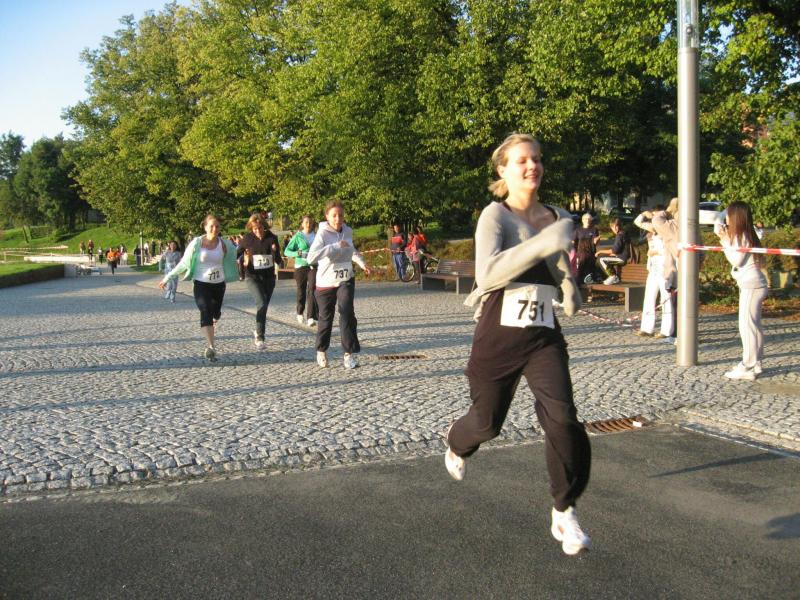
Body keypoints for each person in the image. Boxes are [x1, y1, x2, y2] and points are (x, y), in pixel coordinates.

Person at [447, 133, 590, 556]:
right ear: (503, 170)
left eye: (537, 159)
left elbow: (559, 265)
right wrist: (542, 242)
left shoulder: (556, 215)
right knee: (487, 423)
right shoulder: (496, 215)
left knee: (563, 417)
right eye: (522, 160)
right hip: (499, 334)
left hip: (543, 335)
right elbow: (488, 273)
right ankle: (456, 442)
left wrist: (570, 289)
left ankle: (564, 510)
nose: (533, 166)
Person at [159, 214, 238, 361]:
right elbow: (183, 263)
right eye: (211, 226)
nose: (215, 229)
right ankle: (211, 347)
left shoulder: (224, 244)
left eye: (217, 226)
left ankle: (216, 316)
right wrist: (168, 277)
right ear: (205, 227)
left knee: (215, 312)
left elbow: (236, 254)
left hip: (219, 284)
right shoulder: (196, 243)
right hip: (201, 284)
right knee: (205, 310)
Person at [307, 200, 371, 369]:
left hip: (345, 278)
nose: (338, 219)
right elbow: (311, 258)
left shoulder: (348, 231)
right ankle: (321, 350)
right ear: (327, 216)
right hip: (325, 281)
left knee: (347, 311)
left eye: (340, 215)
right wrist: (334, 246)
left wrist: (362, 263)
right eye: (334, 215)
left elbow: (351, 250)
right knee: (325, 317)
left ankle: (348, 354)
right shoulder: (322, 234)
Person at [716, 201, 768, 380]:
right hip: (753, 283)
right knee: (753, 325)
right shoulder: (746, 233)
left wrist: (725, 241)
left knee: (747, 326)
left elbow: (736, 259)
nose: (726, 218)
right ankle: (756, 363)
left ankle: (748, 365)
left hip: (751, 284)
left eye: (729, 214)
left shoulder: (742, 235)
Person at [237, 213, 282, 350]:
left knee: (263, 307)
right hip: (253, 277)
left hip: (269, 278)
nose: (258, 231)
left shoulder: (272, 238)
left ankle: (258, 330)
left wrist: (275, 251)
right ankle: (260, 337)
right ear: (251, 228)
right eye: (254, 228)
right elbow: (237, 254)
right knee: (261, 303)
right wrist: (244, 260)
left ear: (264, 226)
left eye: (260, 228)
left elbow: (278, 260)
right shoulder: (247, 238)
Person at [633, 206, 675, 340]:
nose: (654, 219)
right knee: (649, 297)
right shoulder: (652, 229)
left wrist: (655, 252)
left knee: (665, 299)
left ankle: (666, 330)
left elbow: (671, 248)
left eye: (657, 216)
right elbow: (637, 222)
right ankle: (647, 328)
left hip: (665, 269)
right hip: (653, 269)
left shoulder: (668, 228)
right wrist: (645, 214)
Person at [650, 197, 680, 344]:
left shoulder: (673, 225)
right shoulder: (690, 225)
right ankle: (676, 334)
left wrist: (666, 211)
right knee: (678, 304)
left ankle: (677, 335)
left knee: (676, 304)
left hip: (674, 270)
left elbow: (656, 220)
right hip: (683, 270)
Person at [284, 215, 319, 326]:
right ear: (302, 224)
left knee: (312, 289)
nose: (308, 224)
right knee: (301, 290)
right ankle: (299, 312)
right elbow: (286, 251)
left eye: (310, 222)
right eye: (306, 222)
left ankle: (311, 317)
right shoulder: (297, 236)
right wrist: (297, 253)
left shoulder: (317, 236)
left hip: (313, 266)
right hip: (300, 267)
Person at [594, 218, 629, 285]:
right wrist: (616, 254)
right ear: (611, 227)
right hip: (622, 257)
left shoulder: (619, 235)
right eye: (613, 227)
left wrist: (600, 251)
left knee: (601, 259)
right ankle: (615, 278)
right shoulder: (623, 233)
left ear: (619, 226)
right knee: (605, 258)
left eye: (616, 226)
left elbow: (614, 250)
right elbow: (621, 249)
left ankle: (612, 276)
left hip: (621, 259)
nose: (615, 228)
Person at [573, 213, 599, 284]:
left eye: (589, 219)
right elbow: (574, 242)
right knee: (582, 261)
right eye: (585, 219)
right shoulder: (578, 230)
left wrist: (596, 241)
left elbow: (595, 242)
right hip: (580, 254)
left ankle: (583, 281)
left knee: (587, 264)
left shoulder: (594, 230)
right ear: (582, 220)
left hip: (591, 253)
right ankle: (579, 282)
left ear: (591, 220)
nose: (587, 220)